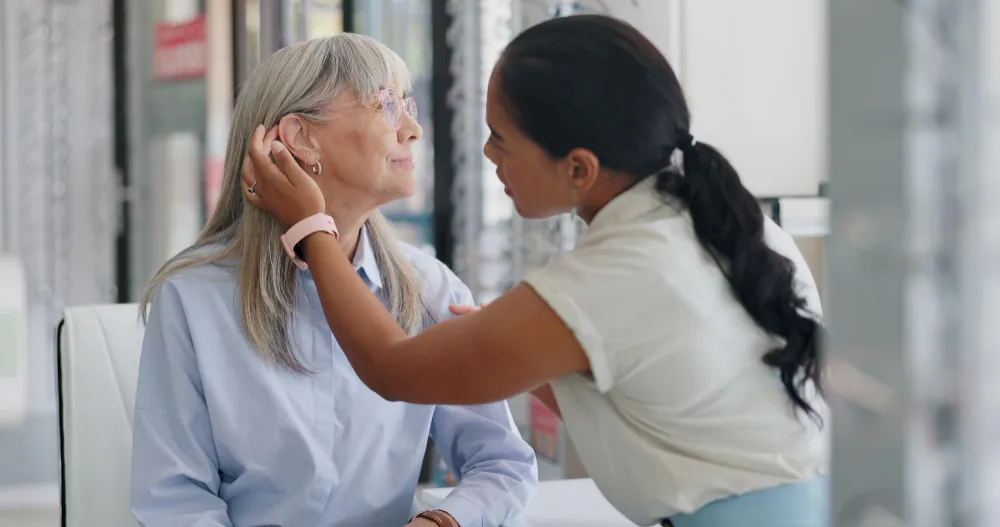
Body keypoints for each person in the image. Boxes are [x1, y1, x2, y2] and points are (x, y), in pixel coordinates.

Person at [243, 14, 829, 527]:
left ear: (578, 168)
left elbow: (391, 369)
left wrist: (310, 231)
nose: (486, 155)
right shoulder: (720, 222)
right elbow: (654, 395)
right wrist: (512, 350)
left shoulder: (610, 274)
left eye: (502, 139)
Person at [131, 34, 538, 527]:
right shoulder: (193, 298)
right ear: (301, 136)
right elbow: (175, 501)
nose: (413, 129)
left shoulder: (430, 288)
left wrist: (442, 523)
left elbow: (503, 462)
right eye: (386, 105)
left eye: (407, 105)